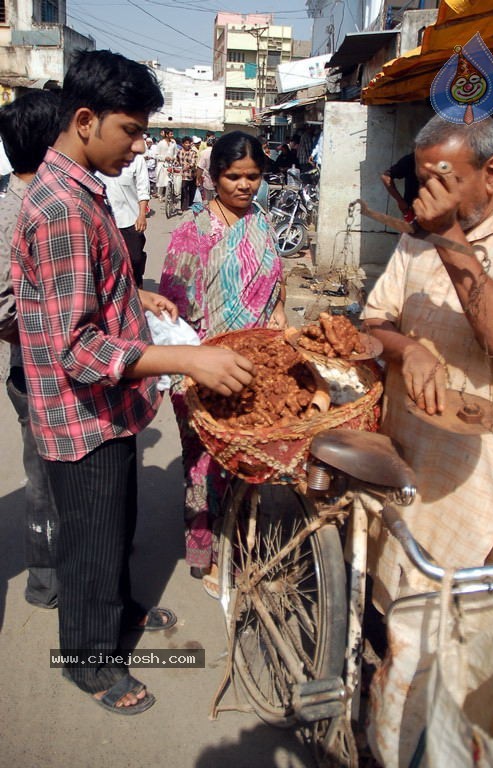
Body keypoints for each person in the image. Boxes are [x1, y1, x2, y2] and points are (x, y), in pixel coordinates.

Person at [11, 50, 255, 715]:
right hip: (81, 414)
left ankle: (114, 617)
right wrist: (187, 361)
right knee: (90, 541)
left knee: (112, 527)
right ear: (85, 120)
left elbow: (85, 294)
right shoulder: (63, 205)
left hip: (107, 410)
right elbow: (75, 349)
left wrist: (137, 296)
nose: (141, 145)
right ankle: (89, 663)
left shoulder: (81, 189)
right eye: (132, 130)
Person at [362, 114, 493, 612]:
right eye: (424, 182)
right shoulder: (417, 233)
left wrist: (446, 232)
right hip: (411, 451)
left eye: (445, 181)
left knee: (466, 619)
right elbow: (374, 321)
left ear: (491, 172)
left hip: (485, 469)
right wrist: (410, 348)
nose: (430, 196)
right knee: (400, 594)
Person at [159, 131, 287, 597]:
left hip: (253, 365)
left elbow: (276, 290)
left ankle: (239, 546)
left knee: (245, 459)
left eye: (253, 177)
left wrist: (279, 345)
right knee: (204, 461)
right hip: (201, 364)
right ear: (214, 177)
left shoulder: (263, 224)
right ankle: (205, 551)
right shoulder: (192, 232)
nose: (244, 185)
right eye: (234, 176)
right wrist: (188, 367)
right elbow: (171, 311)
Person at [0, 90, 60, 609]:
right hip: (34, 372)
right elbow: (1, 309)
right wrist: (47, 334)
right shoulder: (20, 210)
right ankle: (44, 579)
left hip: (45, 370)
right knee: (43, 477)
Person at [97, 153, 150, 287]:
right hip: (106, 220)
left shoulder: (137, 160)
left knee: (135, 258)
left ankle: (137, 285)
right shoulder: (100, 156)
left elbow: (143, 188)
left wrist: (142, 214)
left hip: (131, 218)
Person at [380, 151, 419, 221]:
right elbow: (386, 177)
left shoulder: (442, 161)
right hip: (413, 212)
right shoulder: (411, 160)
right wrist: (401, 202)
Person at [178, 135, 198, 211]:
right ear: (182, 144)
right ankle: (183, 207)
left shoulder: (193, 153)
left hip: (191, 174)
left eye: (189, 143)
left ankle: (190, 204)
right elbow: (177, 161)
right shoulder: (179, 152)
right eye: (186, 143)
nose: (188, 144)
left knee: (192, 191)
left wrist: (189, 166)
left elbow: (193, 162)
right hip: (182, 175)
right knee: (184, 191)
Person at [196, 134, 216, 202]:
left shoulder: (203, 153)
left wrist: (198, 179)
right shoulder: (221, 153)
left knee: (209, 202)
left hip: (207, 182)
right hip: (219, 183)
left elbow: (200, 168)